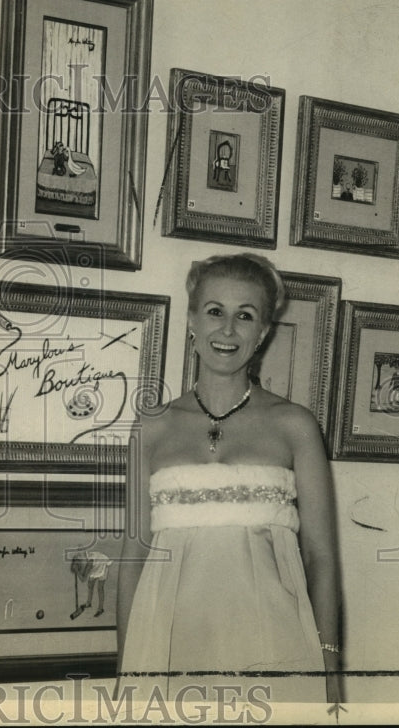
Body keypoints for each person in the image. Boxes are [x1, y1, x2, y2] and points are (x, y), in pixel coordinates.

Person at [116, 253, 343, 705]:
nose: (227, 330)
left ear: (263, 332)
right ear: (192, 321)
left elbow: (321, 558)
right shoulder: (151, 428)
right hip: (167, 649)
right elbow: (133, 558)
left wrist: (330, 666)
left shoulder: (295, 425)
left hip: (275, 651)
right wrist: (127, 668)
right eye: (215, 311)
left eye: (245, 316)